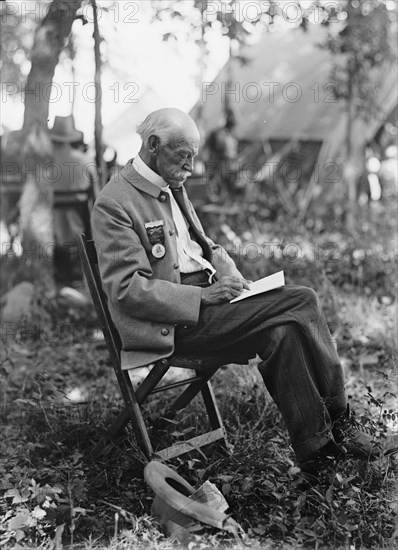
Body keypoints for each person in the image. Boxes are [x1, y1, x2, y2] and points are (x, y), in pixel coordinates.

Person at [91, 108, 398, 478]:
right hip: (173, 325)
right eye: (183, 154)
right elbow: (126, 290)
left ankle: (318, 456)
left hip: (212, 307)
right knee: (302, 299)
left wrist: (233, 280)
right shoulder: (115, 202)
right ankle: (342, 420)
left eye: (193, 154)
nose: (190, 164)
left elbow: (201, 247)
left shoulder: (172, 186)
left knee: (281, 331)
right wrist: (206, 296)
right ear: (153, 145)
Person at [50, 115, 99, 282]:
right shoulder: (85, 160)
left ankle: (61, 279)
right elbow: (96, 196)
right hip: (80, 220)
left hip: (53, 223)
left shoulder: (45, 161)